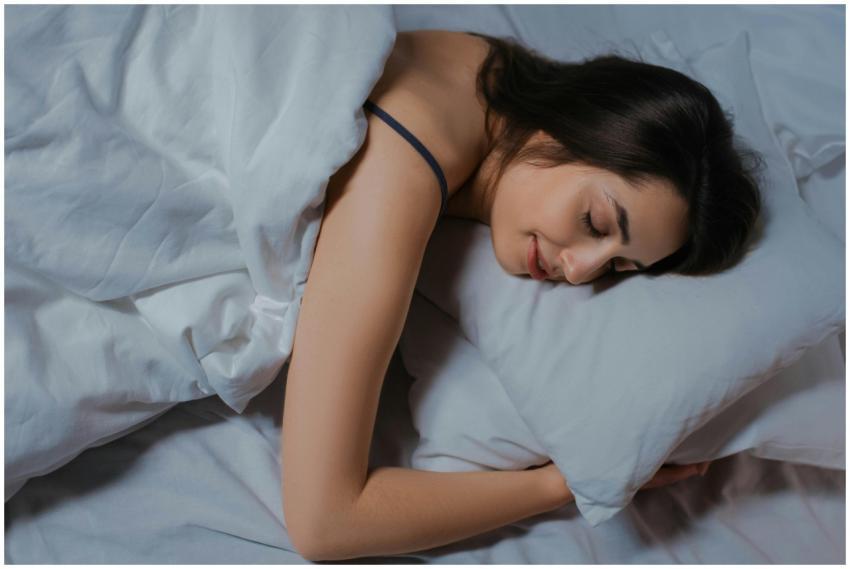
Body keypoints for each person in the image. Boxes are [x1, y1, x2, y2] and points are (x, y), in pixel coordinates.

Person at [281, 30, 761, 561]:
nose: (580, 273)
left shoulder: (488, 67)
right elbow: (326, 524)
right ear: (574, 127)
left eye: (620, 265)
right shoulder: (401, 170)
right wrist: (562, 484)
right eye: (595, 221)